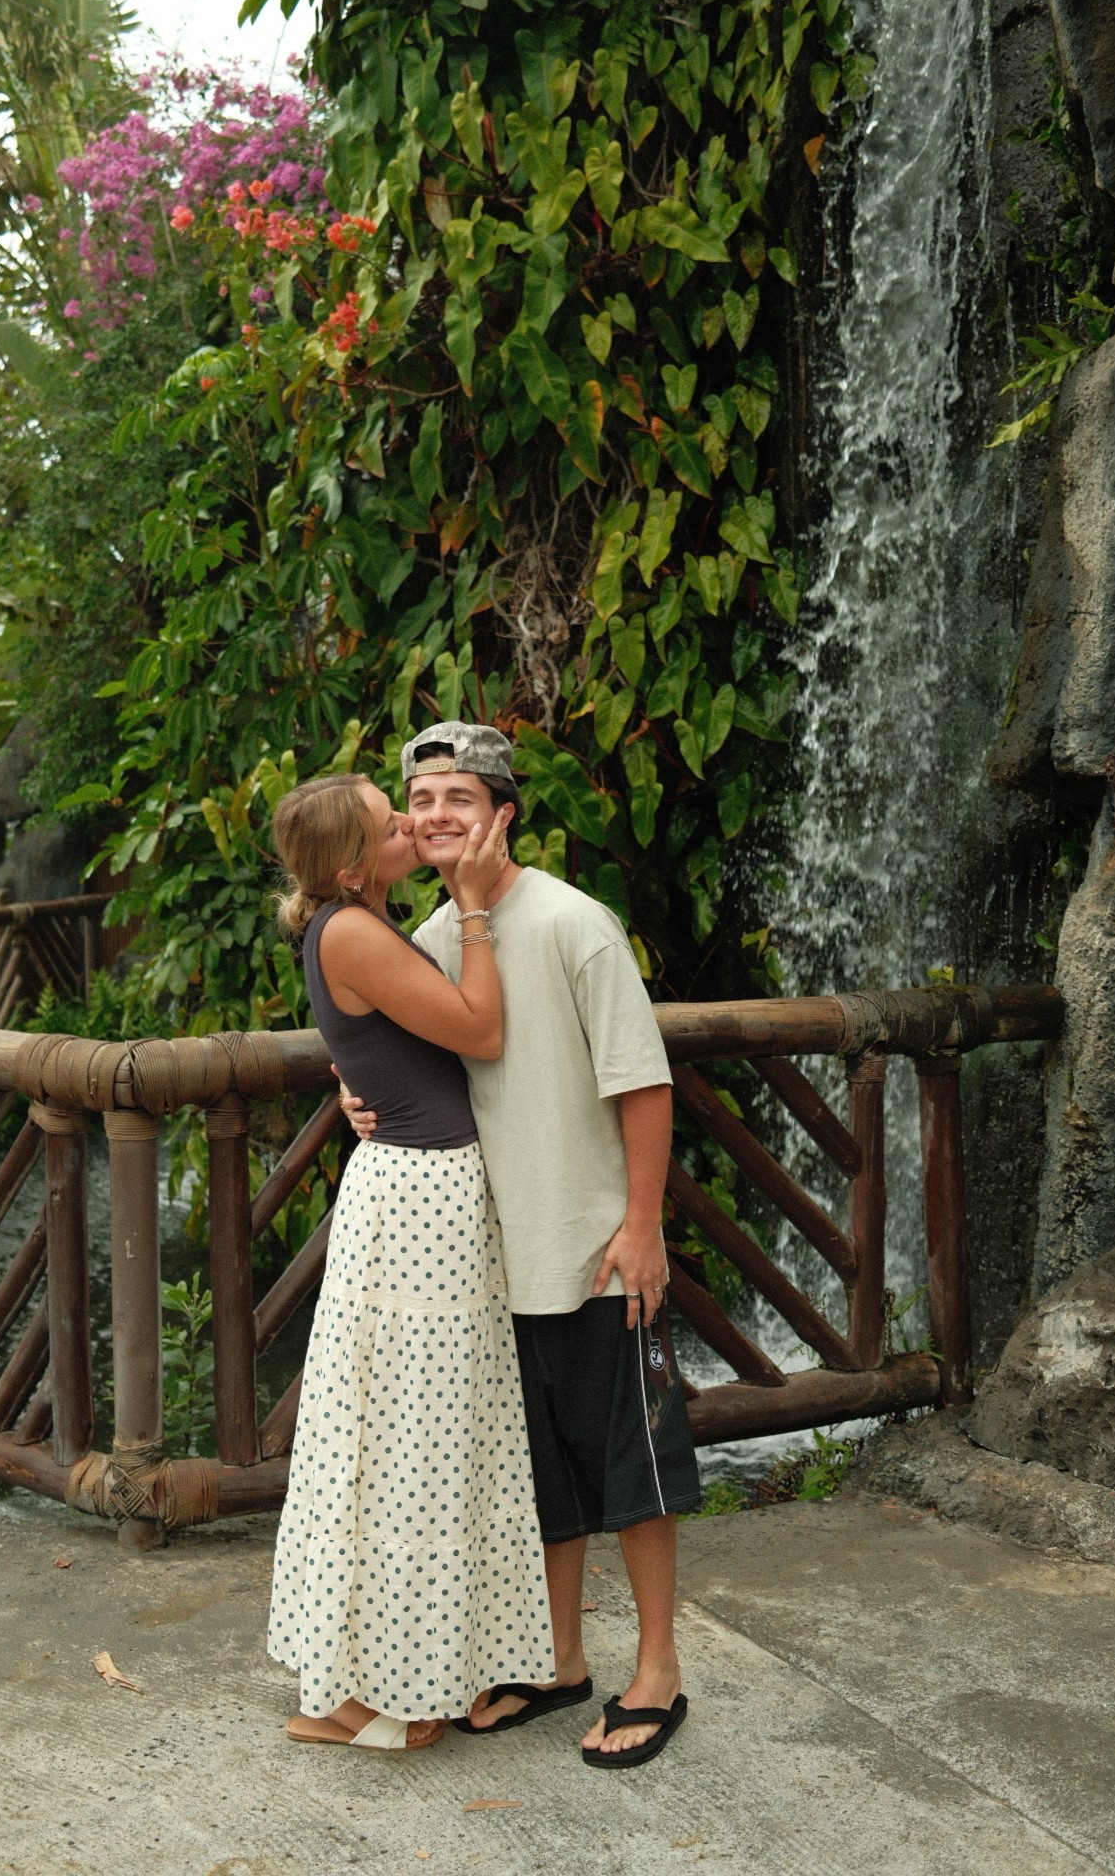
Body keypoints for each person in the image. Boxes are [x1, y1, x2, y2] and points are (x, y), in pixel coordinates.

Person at [341, 721, 702, 1769]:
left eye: (459, 796)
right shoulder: (430, 936)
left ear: (503, 815)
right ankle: (558, 1660)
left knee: (635, 1470)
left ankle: (659, 1670)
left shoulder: (573, 921)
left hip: (592, 1248)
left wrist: (641, 1226)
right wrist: (354, 1095)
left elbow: (642, 1079)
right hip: (483, 1262)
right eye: (421, 799)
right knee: (540, 1477)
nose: (436, 814)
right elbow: (393, 1051)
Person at [266, 771, 554, 1752]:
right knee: (412, 1440)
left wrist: (358, 1081)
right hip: (421, 1198)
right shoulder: (351, 930)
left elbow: (384, 1045)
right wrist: (473, 907)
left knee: (409, 1434)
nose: (412, 824)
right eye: (392, 824)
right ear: (354, 866)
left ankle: (393, 1678)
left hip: (415, 1188)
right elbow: (480, 1028)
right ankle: (388, 1694)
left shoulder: (360, 920)